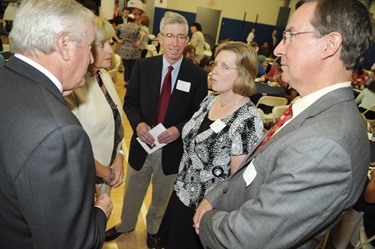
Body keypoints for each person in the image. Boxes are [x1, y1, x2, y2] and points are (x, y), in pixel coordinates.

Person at [193, 0, 374, 248]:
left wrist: (207, 220)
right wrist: (214, 198)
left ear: (329, 45)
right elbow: (255, 168)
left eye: (290, 36)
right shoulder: (312, 108)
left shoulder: (327, 143)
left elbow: (250, 237)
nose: (278, 49)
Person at [0, 0, 113, 248]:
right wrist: (99, 211)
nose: (93, 55)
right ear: (64, 45)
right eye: (90, 45)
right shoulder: (60, 134)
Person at [104, 11, 208, 249]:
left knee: (162, 196)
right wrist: (139, 124)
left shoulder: (198, 76)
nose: (175, 42)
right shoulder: (143, 66)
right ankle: (125, 224)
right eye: (170, 36)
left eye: (181, 37)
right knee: (133, 190)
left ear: (186, 40)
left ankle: (153, 229)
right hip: (143, 143)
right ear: (159, 37)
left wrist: (178, 130)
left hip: (172, 148)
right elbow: (130, 102)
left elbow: (198, 114)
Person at [157, 41, 264, 249]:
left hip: (205, 212)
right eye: (216, 64)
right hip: (181, 196)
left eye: (224, 67)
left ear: (243, 73)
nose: (214, 72)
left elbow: (237, 184)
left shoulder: (248, 121)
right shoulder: (210, 100)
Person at [64, 16, 125, 196]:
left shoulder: (104, 76)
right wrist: (107, 173)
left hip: (107, 176)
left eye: (110, 43)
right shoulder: (72, 87)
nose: (110, 51)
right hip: (85, 180)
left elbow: (117, 124)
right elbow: (74, 148)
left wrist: (120, 156)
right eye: (102, 45)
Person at [115, 13, 145, 86]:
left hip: (124, 49)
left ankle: (126, 81)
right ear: (134, 20)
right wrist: (139, 42)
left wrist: (118, 40)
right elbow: (143, 34)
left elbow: (113, 32)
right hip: (134, 49)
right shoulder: (137, 27)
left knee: (126, 66)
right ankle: (131, 82)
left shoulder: (121, 26)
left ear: (127, 19)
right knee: (132, 66)